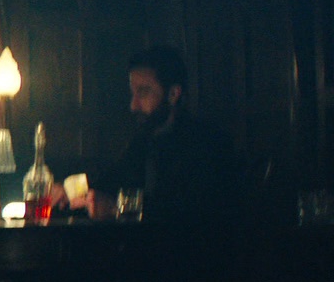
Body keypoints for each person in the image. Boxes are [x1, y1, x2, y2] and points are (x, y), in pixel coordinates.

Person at [90, 45, 240, 222]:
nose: (133, 105)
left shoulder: (208, 144)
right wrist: (77, 193)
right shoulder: (143, 141)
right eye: (133, 93)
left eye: (143, 93)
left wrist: (117, 208)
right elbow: (112, 181)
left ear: (173, 94)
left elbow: (190, 211)